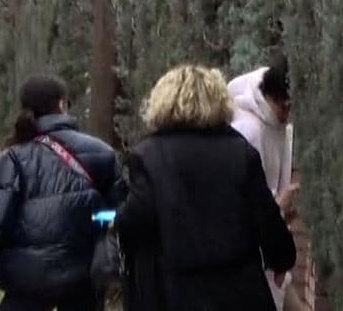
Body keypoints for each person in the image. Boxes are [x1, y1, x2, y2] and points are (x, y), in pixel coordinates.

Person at [0, 74, 126, 311]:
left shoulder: (14, 159)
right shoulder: (102, 154)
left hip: (26, 284)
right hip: (83, 282)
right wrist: (96, 221)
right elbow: (119, 214)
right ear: (62, 105)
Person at [115, 65, 296, 311]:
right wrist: (281, 259)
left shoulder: (148, 156)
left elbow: (132, 223)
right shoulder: (240, 153)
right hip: (239, 293)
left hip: (175, 292)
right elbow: (267, 220)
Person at [228, 54, 304, 311]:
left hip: (269, 251)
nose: (287, 114)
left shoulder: (277, 127)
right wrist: (278, 206)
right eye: (283, 107)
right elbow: (243, 200)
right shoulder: (247, 130)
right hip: (253, 255)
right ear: (268, 98)